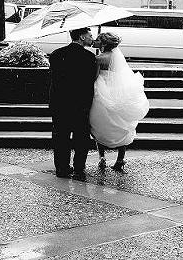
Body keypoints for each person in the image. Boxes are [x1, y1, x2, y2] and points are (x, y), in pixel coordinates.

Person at [90, 32, 149, 172]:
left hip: (103, 91)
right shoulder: (118, 58)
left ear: (103, 44)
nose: (94, 41)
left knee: (99, 123)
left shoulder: (98, 58)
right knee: (122, 124)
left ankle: (102, 157)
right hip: (119, 92)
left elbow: (95, 76)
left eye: (98, 40)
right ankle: (120, 159)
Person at [49, 27, 97, 180]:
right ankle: (78, 168)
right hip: (80, 104)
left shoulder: (56, 54)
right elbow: (91, 81)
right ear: (82, 37)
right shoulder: (89, 57)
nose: (92, 38)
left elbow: (54, 79)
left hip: (60, 103)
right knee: (81, 137)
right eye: (90, 35)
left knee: (60, 136)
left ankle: (62, 169)